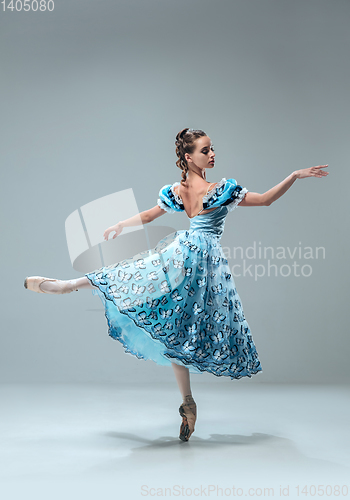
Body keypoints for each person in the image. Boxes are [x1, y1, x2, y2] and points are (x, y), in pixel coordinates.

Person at [24, 128, 329, 442]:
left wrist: (120, 224)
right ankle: (64, 286)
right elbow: (262, 201)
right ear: (188, 157)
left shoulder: (199, 189)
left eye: (212, 149)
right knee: (159, 305)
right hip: (200, 260)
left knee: (170, 320)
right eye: (205, 150)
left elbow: (154, 215)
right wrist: (294, 176)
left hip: (191, 257)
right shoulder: (211, 189)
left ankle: (187, 402)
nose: (212, 155)